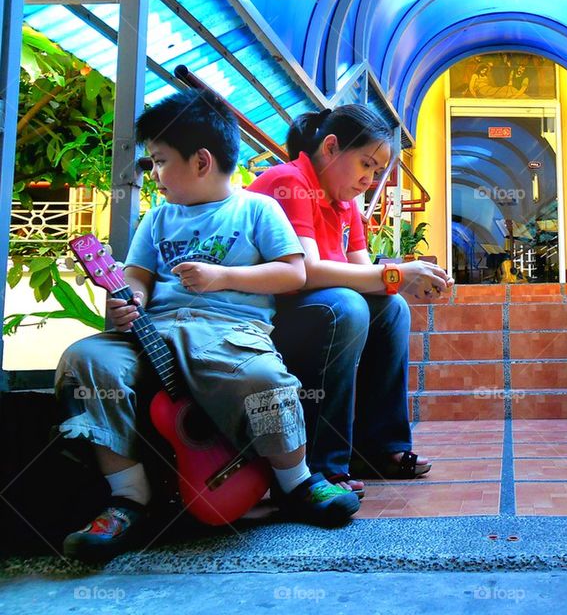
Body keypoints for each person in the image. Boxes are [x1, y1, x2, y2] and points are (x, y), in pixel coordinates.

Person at [54, 91, 360, 563]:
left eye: (159, 162)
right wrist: (128, 300)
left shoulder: (256, 210)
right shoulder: (156, 220)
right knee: (86, 359)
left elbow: (292, 272)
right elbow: (135, 276)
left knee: (263, 380)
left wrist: (223, 278)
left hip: (228, 332)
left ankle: (295, 481)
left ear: (201, 161)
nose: (153, 175)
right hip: (154, 331)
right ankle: (128, 499)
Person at [247, 105, 454, 494]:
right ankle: (320, 464)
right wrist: (393, 274)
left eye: (377, 171)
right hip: (260, 317)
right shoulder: (291, 182)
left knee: (392, 309)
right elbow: (306, 271)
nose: (369, 179)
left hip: (308, 314)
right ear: (331, 147)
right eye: (365, 164)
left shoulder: (346, 205)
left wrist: (404, 284)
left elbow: (367, 278)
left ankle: (379, 448)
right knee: (347, 306)